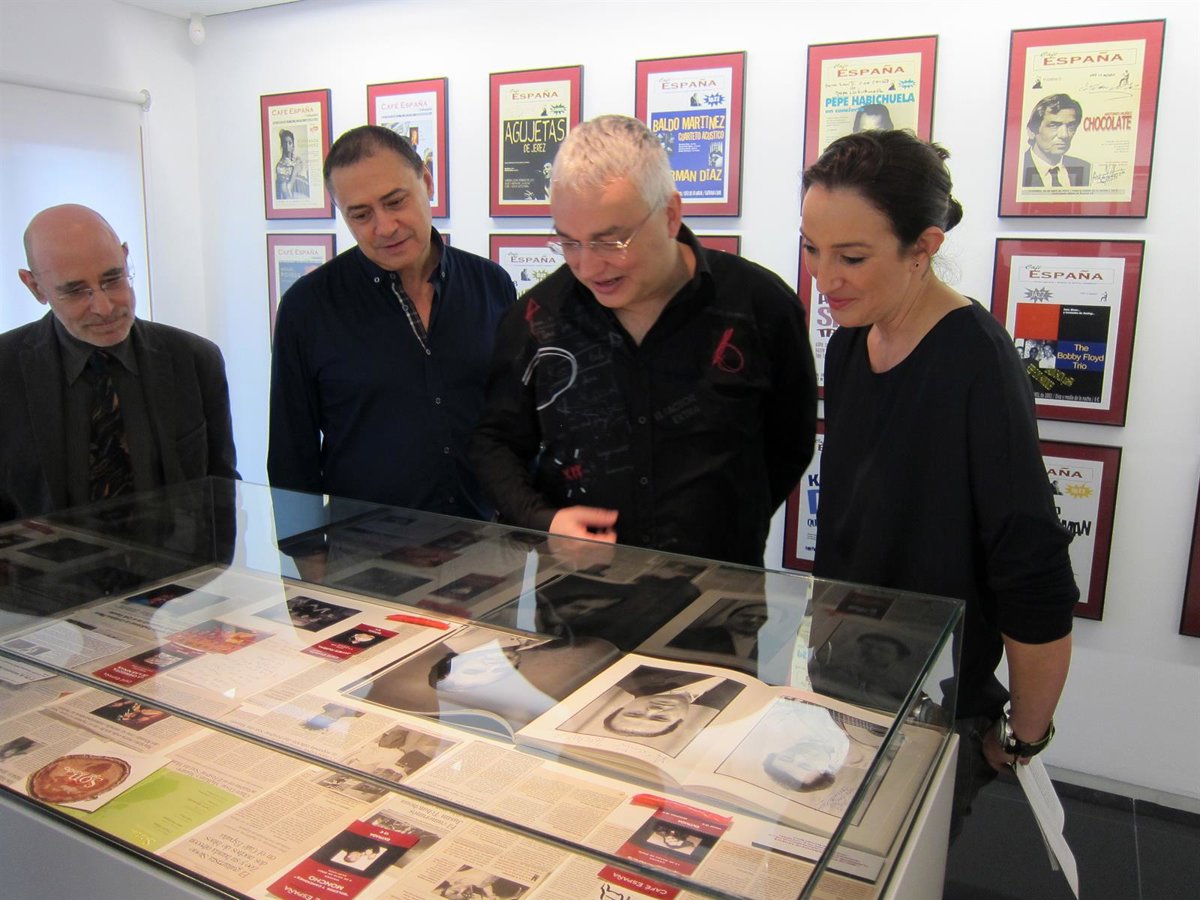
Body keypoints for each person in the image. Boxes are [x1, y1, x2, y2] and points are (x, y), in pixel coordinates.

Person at [800, 130, 1077, 838]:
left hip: (936, 696)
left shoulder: (976, 361)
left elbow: (1032, 564)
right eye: (812, 250)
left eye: (851, 257)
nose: (825, 279)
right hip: (848, 677)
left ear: (922, 247)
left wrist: (1023, 737)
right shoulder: (851, 341)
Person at [471, 114, 817, 566]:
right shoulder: (537, 318)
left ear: (670, 215)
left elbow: (790, 443)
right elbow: (495, 442)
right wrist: (544, 521)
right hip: (579, 594)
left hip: (718, 593)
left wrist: (729, 520)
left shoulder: (760, 305)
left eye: (611, 242)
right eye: (569, 243)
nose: (588, 267)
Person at [269, 125, 516, 517]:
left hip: (484, 538)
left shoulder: (492, 284)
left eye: (395, 201)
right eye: (361, 215)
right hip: (363, 546)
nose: (384, 227)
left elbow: (512, 421)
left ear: (427, 182)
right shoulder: (306, 308)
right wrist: (303, 547)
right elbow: (291, 454)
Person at [2, 204, 238, 521]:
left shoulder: (195, 360)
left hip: (178, 554)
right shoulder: (6, 371)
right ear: (35, 287)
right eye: (75, 291)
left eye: (113, 280)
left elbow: (221, 491)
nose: (104, 307)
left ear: (125, 258)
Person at [1021, 93, 1091, 187]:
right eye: (1054, 125)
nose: (1064, 135)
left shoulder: (1085, 168)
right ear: (1031, 132)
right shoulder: (1018, 168)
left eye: (1071, 126)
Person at [274, 129, 309, 199]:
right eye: (285, 143)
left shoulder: (298, 161)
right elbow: (286, 195)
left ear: (293, 145)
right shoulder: (280, 166)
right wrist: (295, 172)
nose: (287, 146)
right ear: (282, 145)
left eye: (290, 143)